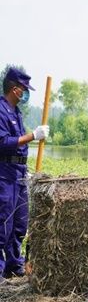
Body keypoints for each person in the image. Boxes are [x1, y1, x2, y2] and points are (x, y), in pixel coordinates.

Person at [0, 68, 49, 284]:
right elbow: (3, 143)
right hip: (4, 175)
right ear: (15, 89)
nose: (26, 94)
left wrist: (25, 167)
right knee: (4, 223)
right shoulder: (1, 110)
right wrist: (32, 136)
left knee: (20, 223)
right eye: (24, 89)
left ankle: (14, 264)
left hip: (19, 174)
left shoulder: (16, 112)